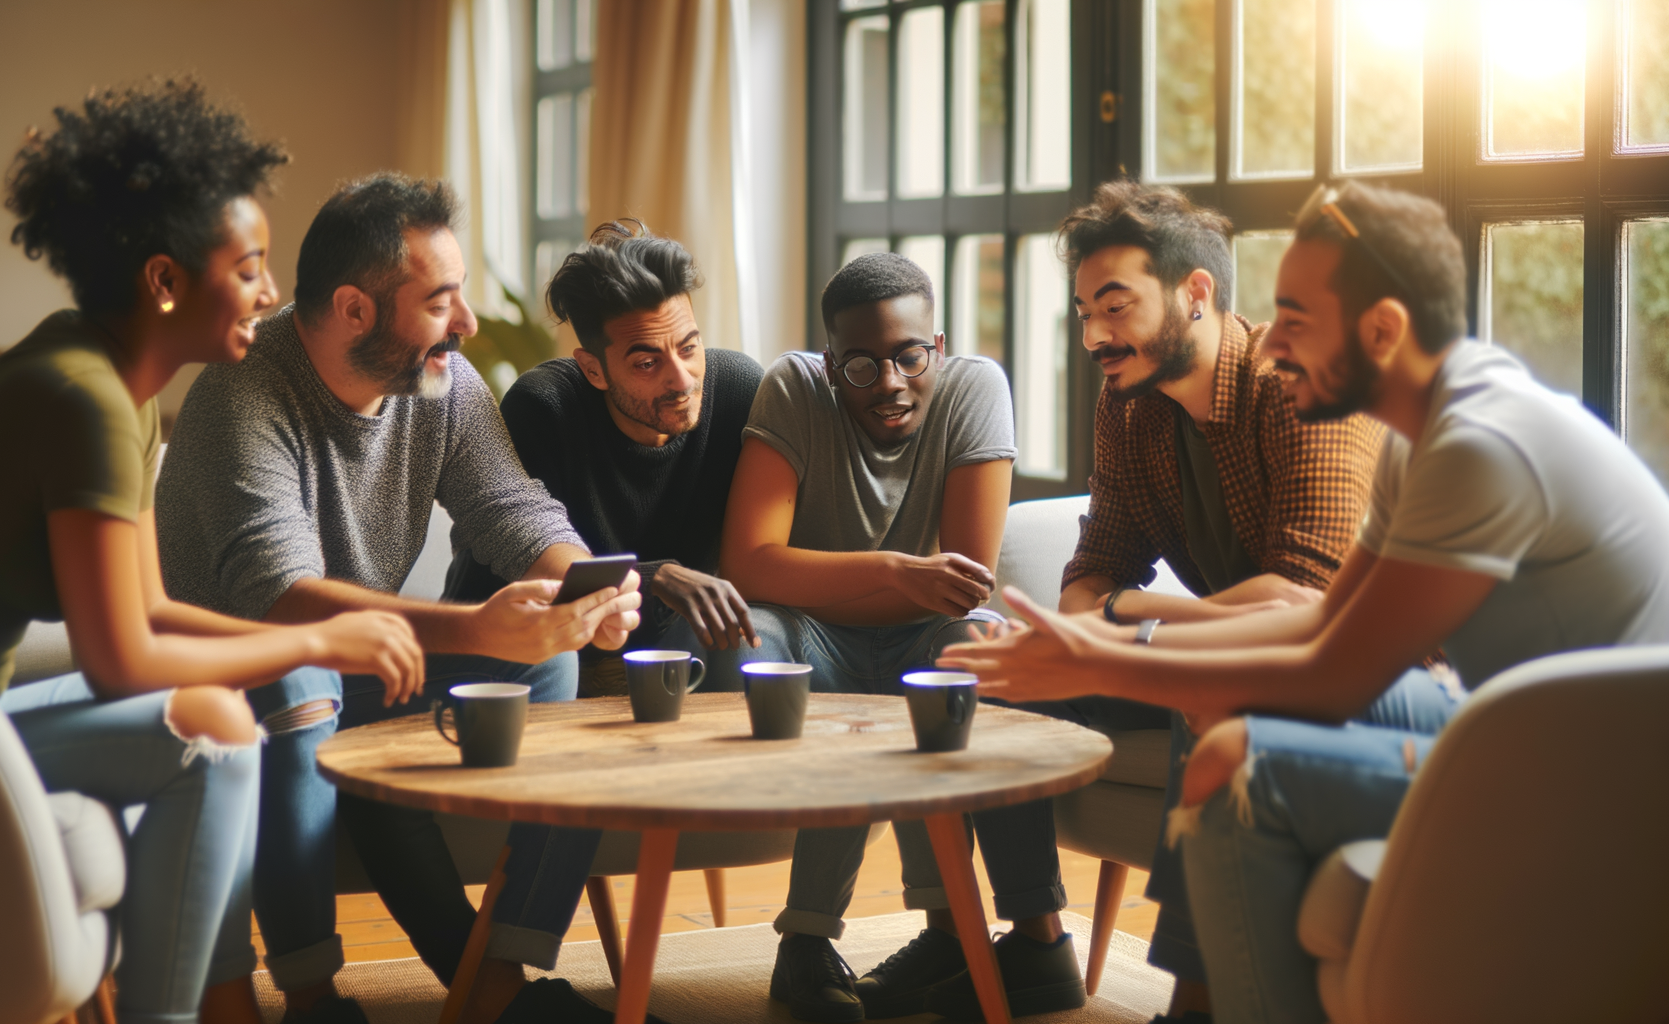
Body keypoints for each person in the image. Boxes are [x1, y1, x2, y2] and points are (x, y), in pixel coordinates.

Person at [940, 180, 1669, 1024]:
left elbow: (1326, 661)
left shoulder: (1478, 444)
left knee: (1237, 765)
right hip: (1509, 727)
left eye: (1295, 319)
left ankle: (1200, 1003)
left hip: (1603, 773)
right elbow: (1320, 623)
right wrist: (1103, 644)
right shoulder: (1423, 437)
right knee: (1213, 724)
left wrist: (1105, 647)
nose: (1272, 342)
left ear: (1383, 331)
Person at [0, 80, 426, 1024]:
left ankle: (215, 1007)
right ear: (166, 281)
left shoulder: (116, 385)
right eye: (249, 266)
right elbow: (120, 658)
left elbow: (152, 611)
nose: (269, 292)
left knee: (213, 711)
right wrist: (317, 644)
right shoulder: (82, 397)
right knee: (209, 742)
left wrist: (332, 628)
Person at [155, 174, 641, 1024]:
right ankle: (311, 991)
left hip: (370, 670)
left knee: (552, 659)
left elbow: (509, 506)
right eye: (441, 300)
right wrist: (473, 626)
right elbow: (283, 601)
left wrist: (583, 585)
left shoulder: (442, 385)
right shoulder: (243, 396)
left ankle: (498, 975)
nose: (468, 322)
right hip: (240, 680)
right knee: (305, 681)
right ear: (354, 309)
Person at [1051, 181, 1426, 1022]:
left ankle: (1196, 996)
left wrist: (1127, 626)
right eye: (1083, 312)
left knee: (1208, 666)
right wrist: (1097, 624)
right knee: (975, 658)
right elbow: (1097, 563)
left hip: (1355, 665)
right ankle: (1030, 942)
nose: (1094, 337)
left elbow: (1307, 592)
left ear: (1196, 292)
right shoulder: (1128, 405)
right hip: (1214, 642)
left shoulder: (1295, 389)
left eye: (1116, 307)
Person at [707, 252, 1074, 1024]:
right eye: (863, 367)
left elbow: (963, 581)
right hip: (811, 636)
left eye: (911, 356)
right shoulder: (793, 386)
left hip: (926, 638)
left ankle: (1035, 940)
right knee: (754, 643)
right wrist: (895, 572)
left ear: (935, 344)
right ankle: (809, 942)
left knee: (977, 649)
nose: (894, 383)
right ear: (829, 362)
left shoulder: (976, 387)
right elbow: (751, 565)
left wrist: (897, 586)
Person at [444, 218, 764, 666]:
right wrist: (655, 578)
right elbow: (530, 574)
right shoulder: (544, 409)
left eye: (689, 348)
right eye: (648, 363)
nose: (682, 379)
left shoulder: (739, 391)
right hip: (512, 650)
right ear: (593, 370)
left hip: (661, 649)